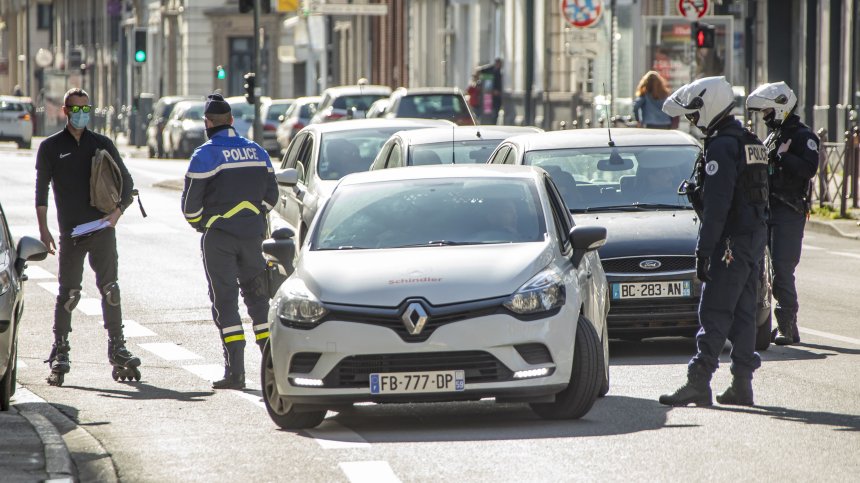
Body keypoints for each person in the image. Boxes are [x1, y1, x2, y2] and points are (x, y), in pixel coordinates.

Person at [659, 76, 769, 407]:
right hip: (752, 239)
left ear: (709, 106)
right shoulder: (749, 140)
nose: (693, 121)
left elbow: (718, 207)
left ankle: (698, 381)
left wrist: (703, 253)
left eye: (694, 114)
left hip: (730, 243)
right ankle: (741, 384)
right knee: (745, 312)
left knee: (715, 310)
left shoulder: (721, 146)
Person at [36, 87, 140, 386]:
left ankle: (117, 347)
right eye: (76, 109)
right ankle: (60, 350)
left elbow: (127, 183)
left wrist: (116, 215)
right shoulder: (51, 148)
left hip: (102, 230)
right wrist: (44, 230)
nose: (81, 114)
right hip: (71, 233)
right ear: (65, 111)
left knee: (111, 289)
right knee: (69, 293)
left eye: (86, 108)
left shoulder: (102, 143)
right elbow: (41, 191)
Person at [181, 93, 278, 390]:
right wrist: (252, 218)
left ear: (208, 123)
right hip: (254, 238)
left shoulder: (205, 155)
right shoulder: (258, 151)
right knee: (259, 301)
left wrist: (205, 224)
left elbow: (190, 208)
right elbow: (271, 197)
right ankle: (271, 370)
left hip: (220, 239)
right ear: (232, 121)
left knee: (226, 303)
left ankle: (235, 373)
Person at [746, 82, 819, 345]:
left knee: (782, 268)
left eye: (767, 112)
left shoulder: (803, 136)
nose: (765, 117)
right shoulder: (773, 137)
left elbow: (809, 168)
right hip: (768, 209)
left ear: (780, 108)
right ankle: (770, 325)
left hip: (789, 210)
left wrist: (784, 157)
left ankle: (788, 326)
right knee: (761, 268)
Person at [479, 58, 504, 125]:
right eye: (499, 64)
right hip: (489, 97)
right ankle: (489, 123)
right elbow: (480, 70)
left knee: (495, 114)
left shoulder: (499, 72)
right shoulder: (490, 70)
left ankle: (493, 123)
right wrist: (493, 91)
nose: (500, 66)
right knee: (490, 114)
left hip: (496, 98)